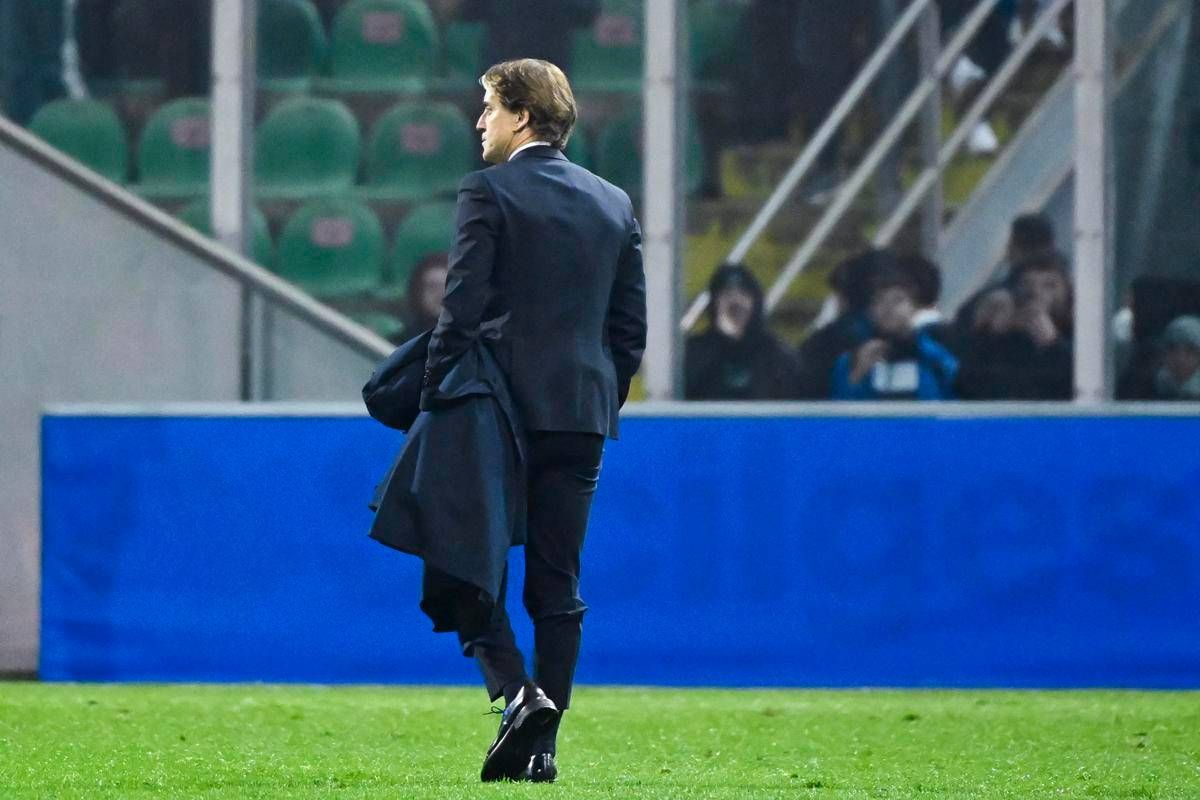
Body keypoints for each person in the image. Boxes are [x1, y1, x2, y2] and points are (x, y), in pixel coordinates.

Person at [416, 58, 646, 783]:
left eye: (488, 106)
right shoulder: (614, 202)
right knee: (557, 580)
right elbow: (629, 332)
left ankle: (517, 694)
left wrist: (433, 396)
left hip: (499, 410)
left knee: (455, 551)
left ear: (521, 115)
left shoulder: (487, 191)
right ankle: (543, 748)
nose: (478, 121)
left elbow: (459, 311)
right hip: (582, 413)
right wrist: (597, 395)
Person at [955, 249, 1073, 399]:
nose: (1036, 293)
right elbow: (967, 386)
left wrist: (1052, 344)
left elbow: (1078, 386)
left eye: (1050, 285)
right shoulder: (1004, 337)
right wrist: (988, 335)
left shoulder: (1081, 334)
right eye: (1026, 284)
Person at [831, 265, 959, 400]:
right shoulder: (851, 361)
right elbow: (839, 406)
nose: (888, 308)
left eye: (898, 300)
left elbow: (956, 399)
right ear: (870, 310)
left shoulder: (935, 356)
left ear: (913, 306)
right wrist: (857, 376)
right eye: (879, 300)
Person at [684, 264, 799, 400]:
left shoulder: (778, 358)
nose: (735, 301)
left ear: (755, 303)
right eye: (726, 294)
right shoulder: (692, 354)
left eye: (743, 294)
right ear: (714, 304)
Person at [389, 253, 451, 343]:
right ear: (418, 291)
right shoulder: (401, 343)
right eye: (433, 287)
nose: (440, 294)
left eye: (447, 287)